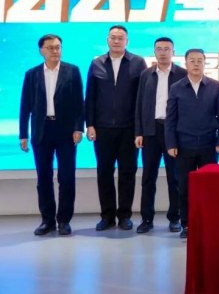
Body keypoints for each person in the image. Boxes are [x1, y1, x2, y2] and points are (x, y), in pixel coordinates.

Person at [19, 34, 84, 236]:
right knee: (44, 177)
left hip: (66, 132)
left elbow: (79, 102)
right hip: (41, 131)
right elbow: (25, 105)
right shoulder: (32, 74)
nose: (55, 51)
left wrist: (78, 128)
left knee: (67, 177)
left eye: (58, 47)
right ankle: (47, 220)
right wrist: (23, 134)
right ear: (42, 51)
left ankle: (64, 220)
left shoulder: (72, 71)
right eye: (50, 48)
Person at [85, 25, 147, 231]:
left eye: (121, 38)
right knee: (104, 173)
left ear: (127, 41)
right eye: (113, 37)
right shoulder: (97, 63)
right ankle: (107, 216)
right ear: (107, 40)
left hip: (129, 129)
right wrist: (90, 124)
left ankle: (125, 216)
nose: (117, 41)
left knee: (128, 173)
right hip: (102, 129)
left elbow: (142, 99)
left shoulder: (138, 63)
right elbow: (90, 96)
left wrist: (140, 129)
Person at [166, 49, 219, 239]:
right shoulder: (176, 88)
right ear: (185, 63)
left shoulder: (215, 86)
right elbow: (171, 118)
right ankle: (186, 224)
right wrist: (171, 143)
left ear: (205, 63)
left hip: (209, 144)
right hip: (184, 145)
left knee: (209, 186)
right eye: (192, 60)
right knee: (184, 187)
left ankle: (209, 222)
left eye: (199, 60)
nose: (196, 64)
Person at [134, 37, 187, 234]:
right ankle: (146, 219)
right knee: (148, 176)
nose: (163, 52)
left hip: (173, 132)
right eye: (159, 49)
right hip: (150, 131)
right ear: (154, 52)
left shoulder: (182, 74)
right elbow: (139, 104)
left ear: (173, 52)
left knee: (175, 177)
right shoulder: (146, 74)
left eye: (167, 49)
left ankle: (175, 217)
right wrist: (139, 131)